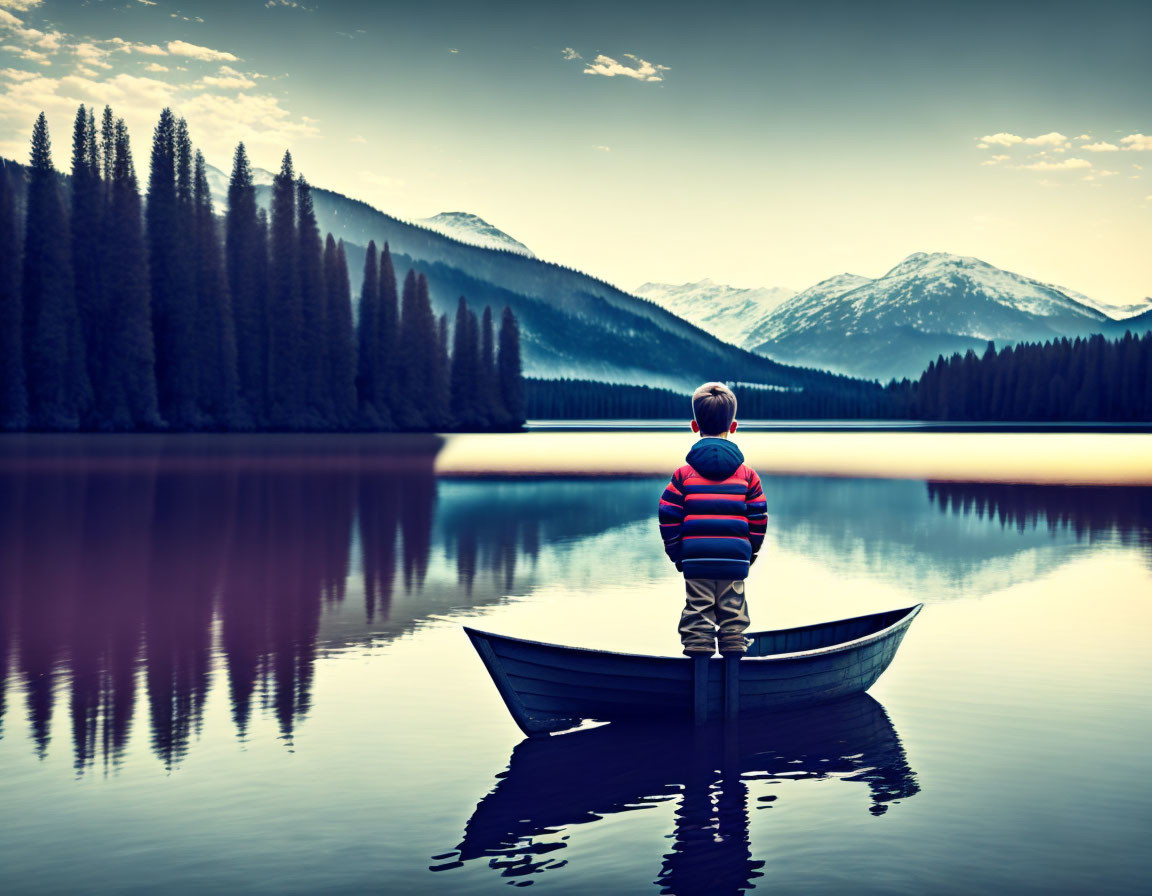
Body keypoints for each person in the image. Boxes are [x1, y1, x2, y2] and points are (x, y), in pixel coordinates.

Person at [658, 382, 766, 657]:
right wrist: (749, 554)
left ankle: (700, 681)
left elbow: (668, 517)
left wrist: (678, 555)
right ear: (734, 426)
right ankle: (732, 680)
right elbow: (758, 520)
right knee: (734, 618)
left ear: (694, 426)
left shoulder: (683, 475)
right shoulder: (748, 476)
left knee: (697, 616)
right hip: (734, 560)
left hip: (696, 558)